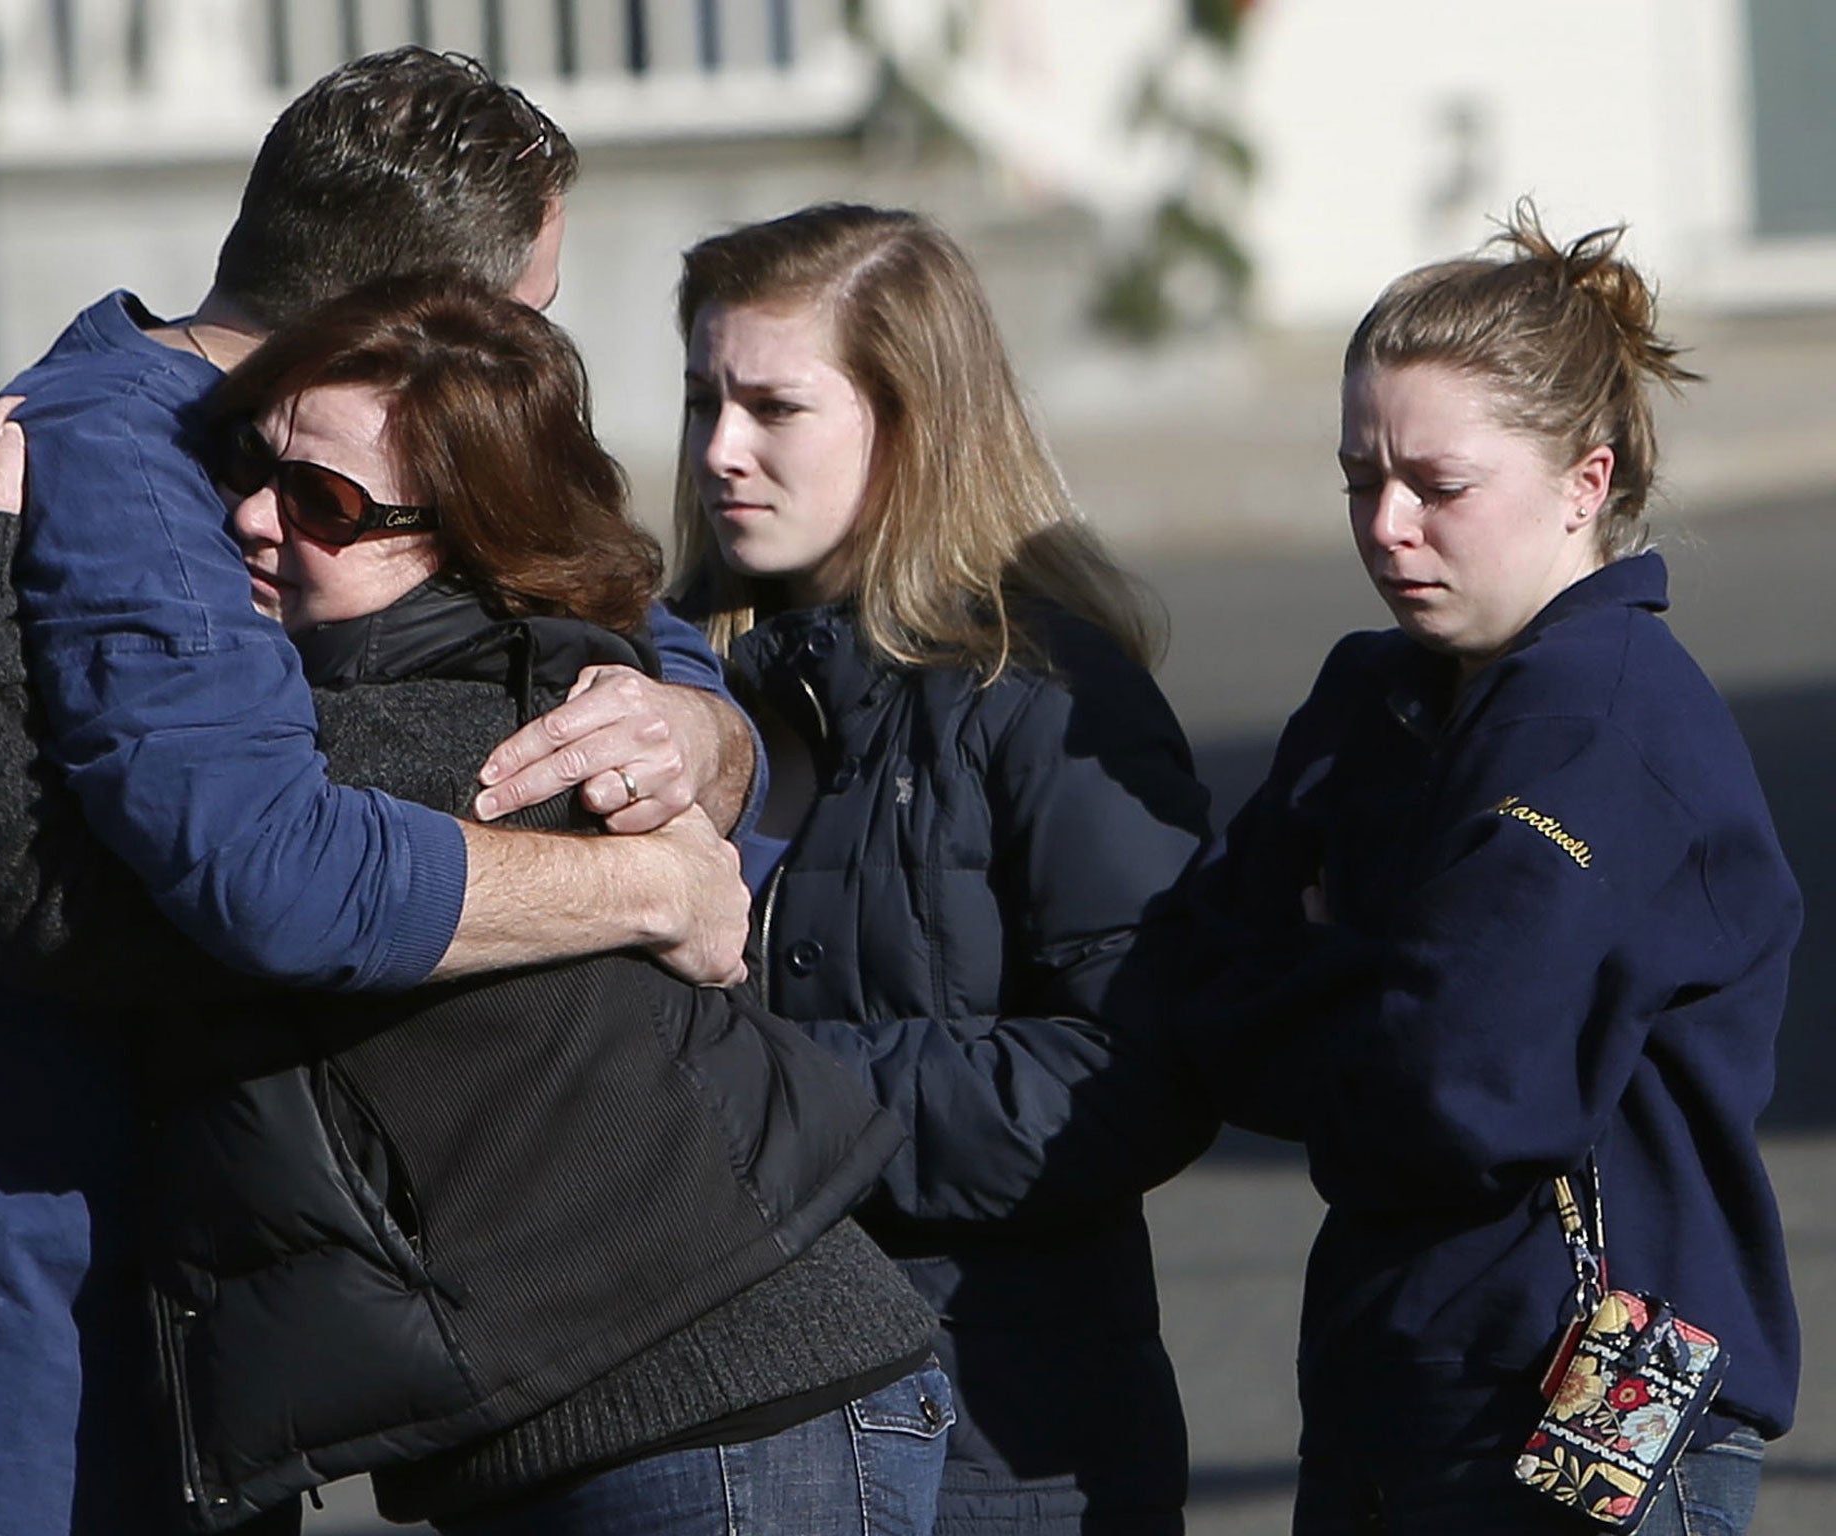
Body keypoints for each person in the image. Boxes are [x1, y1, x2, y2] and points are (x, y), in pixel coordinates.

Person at [0, 48, 755, 1536]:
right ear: (425, 323)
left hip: (107, 1378)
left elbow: (618, 614)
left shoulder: (280, 444)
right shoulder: (124, 470)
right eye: (528, 325)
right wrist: (652, 885)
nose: (533, 374)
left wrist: (694, 731)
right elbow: (274, 877)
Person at [0, 276, 953, 1536]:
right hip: (633, 1425)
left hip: (725, 1430)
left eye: (323, 502)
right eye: (244, 460)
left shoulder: (457, 739)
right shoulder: (448, 682)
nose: (248, 518)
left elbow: (59, 911)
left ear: (462, 532)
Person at [1162, 207, 1800, 1534]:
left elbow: (1472, 1090)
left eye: (1438, 487)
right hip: (1388, 1381)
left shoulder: (1600, 717)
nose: (1388, 526)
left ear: (1585, 481)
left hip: (1591, 1410)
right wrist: (1389, 982)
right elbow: (1184, 986)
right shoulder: (1374, 695)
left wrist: (1333, 963)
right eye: (1359, 480)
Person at [670, 203, 1217, 1535]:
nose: (721, 450)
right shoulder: (666, 684)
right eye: (702, 400)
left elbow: (1140, 1073)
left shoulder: (1048, 694)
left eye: (774, 407)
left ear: (909, 420)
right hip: (712, 1435)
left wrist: (787, 1092)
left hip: (993, 1450)